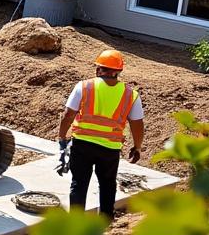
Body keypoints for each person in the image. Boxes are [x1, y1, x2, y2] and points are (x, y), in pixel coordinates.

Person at [57, 49, 144, 216]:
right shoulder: (130, 95)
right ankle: (104, 222)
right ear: (118, 71)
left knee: (79, 184)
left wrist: (62, 137)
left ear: (98, 69)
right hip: (110, 149)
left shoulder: (83, 86)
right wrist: (137, 147)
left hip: (82, 145)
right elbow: (137, 124)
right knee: (107, 184)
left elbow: (68, 115)